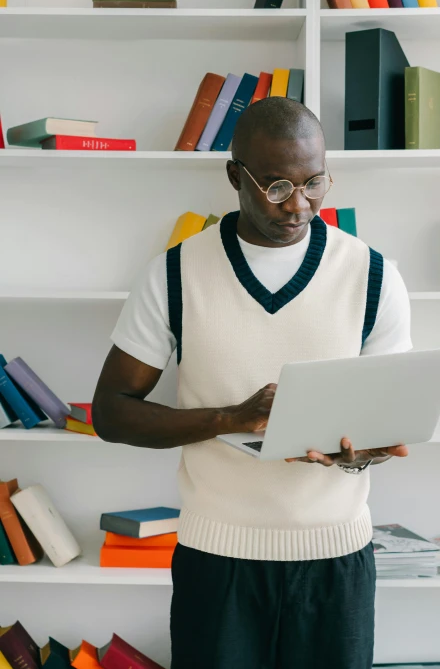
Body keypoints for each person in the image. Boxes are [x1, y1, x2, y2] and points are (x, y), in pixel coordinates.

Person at [92, 97, 412, 669]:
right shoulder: (174, 273)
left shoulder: (374, 275)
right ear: (235, 177)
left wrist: (364, 453)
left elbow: (387, 417)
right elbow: (112, 412)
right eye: (277, 186)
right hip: (217, 561)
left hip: (335, 561)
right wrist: (230, 418)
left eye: (315, 183)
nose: (299, 204)